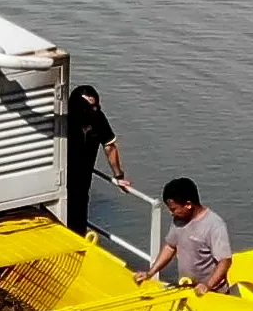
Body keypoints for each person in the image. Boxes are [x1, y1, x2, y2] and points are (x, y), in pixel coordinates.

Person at [133, 178, 233, 295]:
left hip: (212, 292)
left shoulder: (214, 225)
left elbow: (225, 261)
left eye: (174, 209)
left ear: (188, 205)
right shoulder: (178, 220)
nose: (171, 213)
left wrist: (208, 285)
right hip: (188, 289)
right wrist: (150, 273)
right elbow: (170, 247)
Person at [64, 85, 130, 236]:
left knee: (78, 219)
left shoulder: (98, 118)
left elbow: (109, 146)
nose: (93, 110)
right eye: (88, 107)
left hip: (82, 182)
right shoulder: (64, 119)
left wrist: (119, 176)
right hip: (60, 178)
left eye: (96, 106)